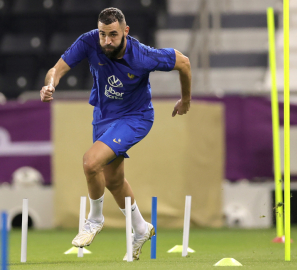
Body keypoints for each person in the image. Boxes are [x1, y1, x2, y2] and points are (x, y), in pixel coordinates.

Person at [39, 7, 191, 260]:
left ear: (125, 31)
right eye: (103, 35)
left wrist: (185, 100)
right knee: (113, 180)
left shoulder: (142, 55)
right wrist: (50, 84)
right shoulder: (89, 41)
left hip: (135, 117)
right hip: (103, 117)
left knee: (90, 162)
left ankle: (94, 219)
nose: (106, 41)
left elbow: (183, 62)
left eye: (112, 35)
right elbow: (57, 68)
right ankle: (141, 228)